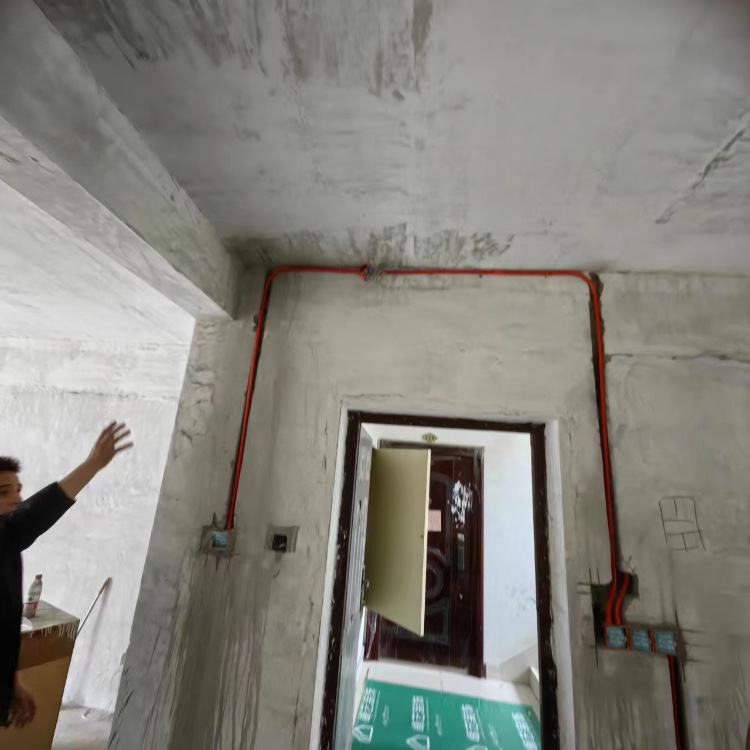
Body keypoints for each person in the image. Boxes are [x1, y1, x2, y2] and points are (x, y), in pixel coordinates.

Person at [0, 422, 132, 729]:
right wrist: (91, 465)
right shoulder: (6, 535)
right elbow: (30, 517)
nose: (17, 499)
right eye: (4, 492)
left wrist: (12, 683)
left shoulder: (8, 550)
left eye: (18, 489)